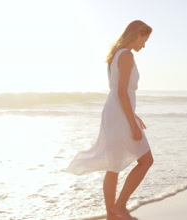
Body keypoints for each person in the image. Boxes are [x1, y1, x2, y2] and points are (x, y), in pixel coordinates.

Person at [66, 20, 154, 220]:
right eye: (145, 40)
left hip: (114, 113)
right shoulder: (127, 56)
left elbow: (118, 91)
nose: (144, 45)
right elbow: (122, 91)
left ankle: (111, 214)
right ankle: (120, 206)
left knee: (113, 166)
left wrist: (134, 114)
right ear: (138, 34)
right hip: (120, 115)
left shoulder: (116, 55)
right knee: (146, 160)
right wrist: (132, 123)